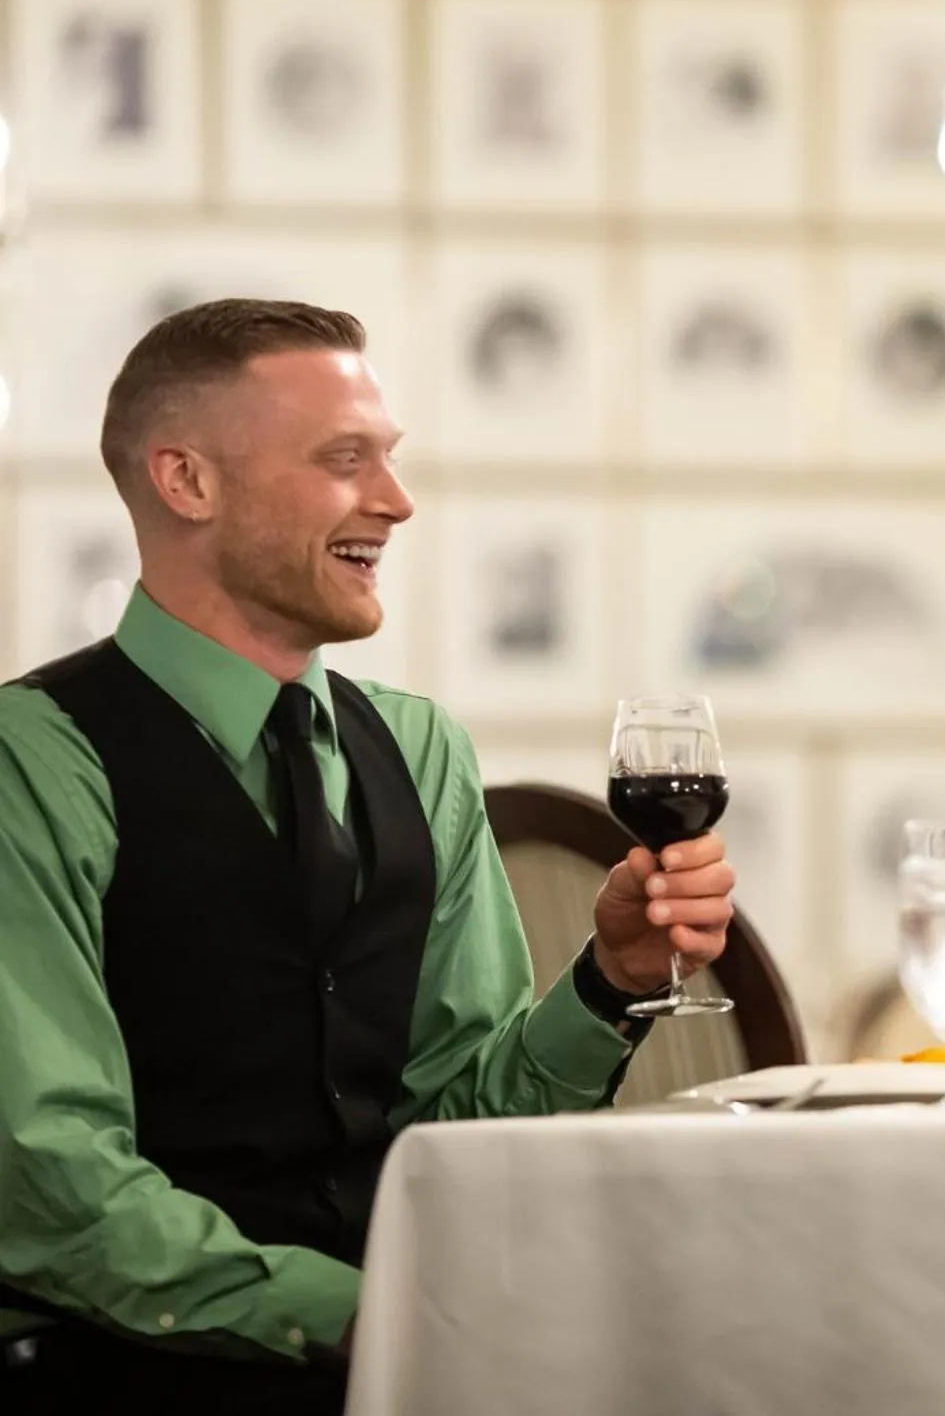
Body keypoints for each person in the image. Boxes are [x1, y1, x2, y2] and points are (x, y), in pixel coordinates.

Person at [0, 299, 737, 1413]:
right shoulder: (31, 760)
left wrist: (609, 984)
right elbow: (54, 1184)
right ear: (185, 482)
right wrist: (375, 1316)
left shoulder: (421, 746)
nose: (394, 503)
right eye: (346, 462)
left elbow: (459, 1135)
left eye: (387, 462)